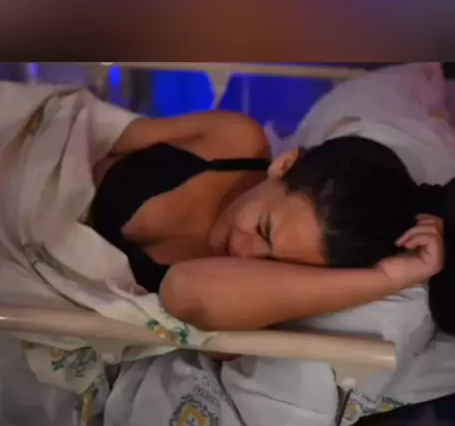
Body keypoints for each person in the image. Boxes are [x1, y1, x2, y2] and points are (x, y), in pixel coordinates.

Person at [90, 108, 453, 333]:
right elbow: (100, 133)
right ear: (284, 165)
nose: (243, 251)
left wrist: (386, 279)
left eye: (274, 262)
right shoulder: (234, 140)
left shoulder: (256, 299)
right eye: (263, 228)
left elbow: (184, 288)